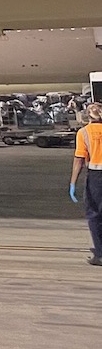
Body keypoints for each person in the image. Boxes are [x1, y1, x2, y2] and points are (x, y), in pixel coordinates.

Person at [70, 102, 102, 266]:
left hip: (96, 177)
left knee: (94, 214)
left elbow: (79, 161)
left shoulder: (83, 133)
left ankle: (100, 254)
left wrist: (73, 183)